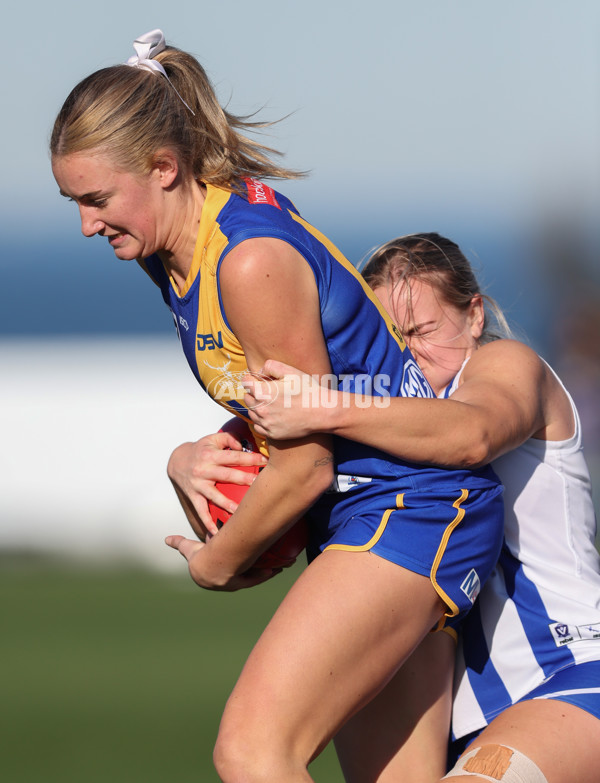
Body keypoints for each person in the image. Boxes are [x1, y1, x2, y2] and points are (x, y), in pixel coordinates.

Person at [50, 32, 504, 783]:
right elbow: (288, 411)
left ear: (164, 167)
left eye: (97, 199)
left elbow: (304, 466)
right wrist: (186, 458)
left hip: (412, 506)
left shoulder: (248, 258)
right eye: (74, 203)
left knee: (253, 750)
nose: (87, 225)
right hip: (373, 512)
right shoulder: (179, 250)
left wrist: (216, 565)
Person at [214, 232, 599, 782]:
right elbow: (268, 454)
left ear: (473, 315)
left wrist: (321, 405)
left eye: (422, 330)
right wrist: (190, 461)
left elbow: (473, 434)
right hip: (455, 721)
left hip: (570, 672)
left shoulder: (505, 365)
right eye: (393, 337)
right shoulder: (372, 411)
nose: (410, 351)